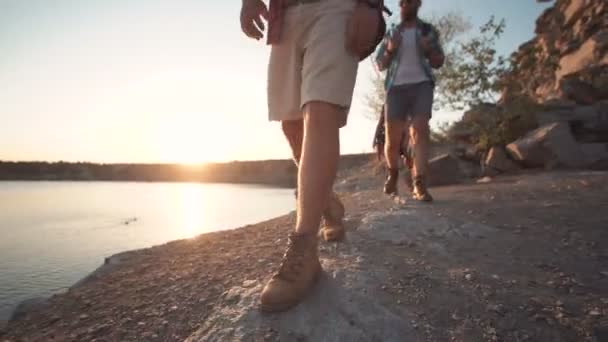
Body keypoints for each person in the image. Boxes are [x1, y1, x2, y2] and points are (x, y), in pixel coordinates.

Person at [240, 0, 359, 312]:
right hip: (286, 12)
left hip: (338, 7)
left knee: (319, 109)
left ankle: (304, 248)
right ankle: (328, 204)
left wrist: (372, 5)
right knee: (291, 124)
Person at [374, 0, 444, 201]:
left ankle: (419, 184)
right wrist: (390, 49)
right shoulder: (392, 32)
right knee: (392, 138)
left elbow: (439, 61)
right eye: (402, 2)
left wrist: (429, 50)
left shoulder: (428, 31)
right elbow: (380, 64)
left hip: (422, 84)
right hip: (395, 88)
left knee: (420, 129)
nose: (404, 4)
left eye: (409, 1)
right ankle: (393, 173)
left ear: (417, 4)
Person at [372, 109, 414, 193]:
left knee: (407, 167)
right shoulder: (385, 119)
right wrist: (376, 141)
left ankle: (412, 186)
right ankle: (394, 188)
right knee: (390, 165)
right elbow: (380, 125)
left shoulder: (405, 116)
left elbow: (407, 129)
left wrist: (405, 149)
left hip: (402, 141)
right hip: (389, 141)